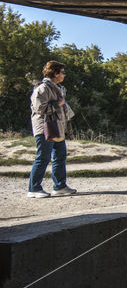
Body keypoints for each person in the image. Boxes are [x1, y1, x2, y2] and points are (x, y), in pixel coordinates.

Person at [27, 61, 77, 198]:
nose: (64, 74)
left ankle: (60, 186)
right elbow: (40, 109)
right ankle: (34, 188)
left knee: (60, 156)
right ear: (55, 73)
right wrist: (57, 103)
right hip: (45, 127)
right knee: (43, 157)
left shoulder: (58, 88)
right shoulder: (42, 88)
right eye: (62, 72)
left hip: (57, 127)